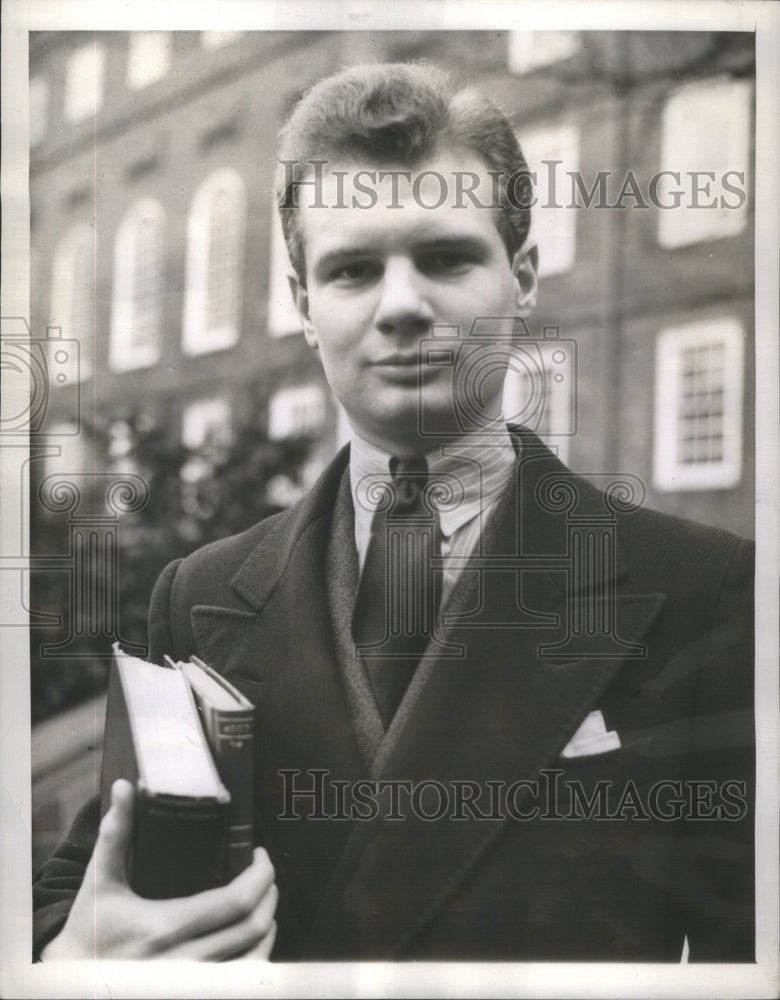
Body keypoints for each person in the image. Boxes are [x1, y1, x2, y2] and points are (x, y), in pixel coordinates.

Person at [33, 62, 754, 962]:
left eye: (446, 257)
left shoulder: (703, 590)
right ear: (304, 306)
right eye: (353, 269)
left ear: (522, 276)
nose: (403, 305)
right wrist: (73, 959)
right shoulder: (202, 595)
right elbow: (82, 882)